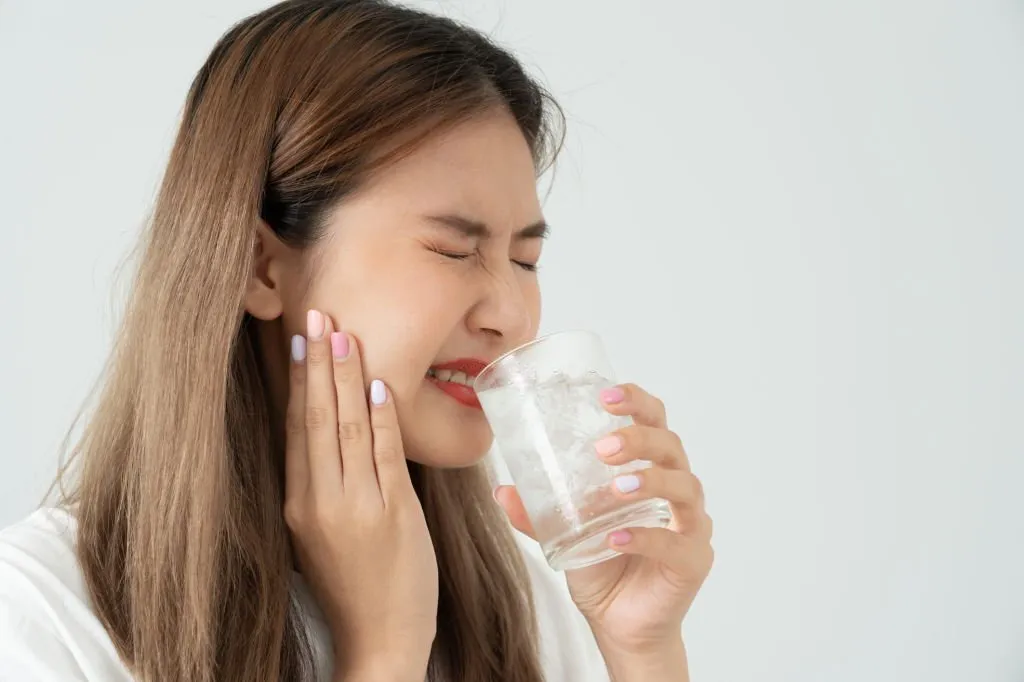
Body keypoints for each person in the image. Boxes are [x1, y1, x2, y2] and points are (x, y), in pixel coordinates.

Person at [0, 1, 714, 680]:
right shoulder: (43, 615)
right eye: (453, 250)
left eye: (525, 260)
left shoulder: (525, 602)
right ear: (258, 267)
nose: (510, 314)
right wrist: (381, 656)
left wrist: (642, 648)